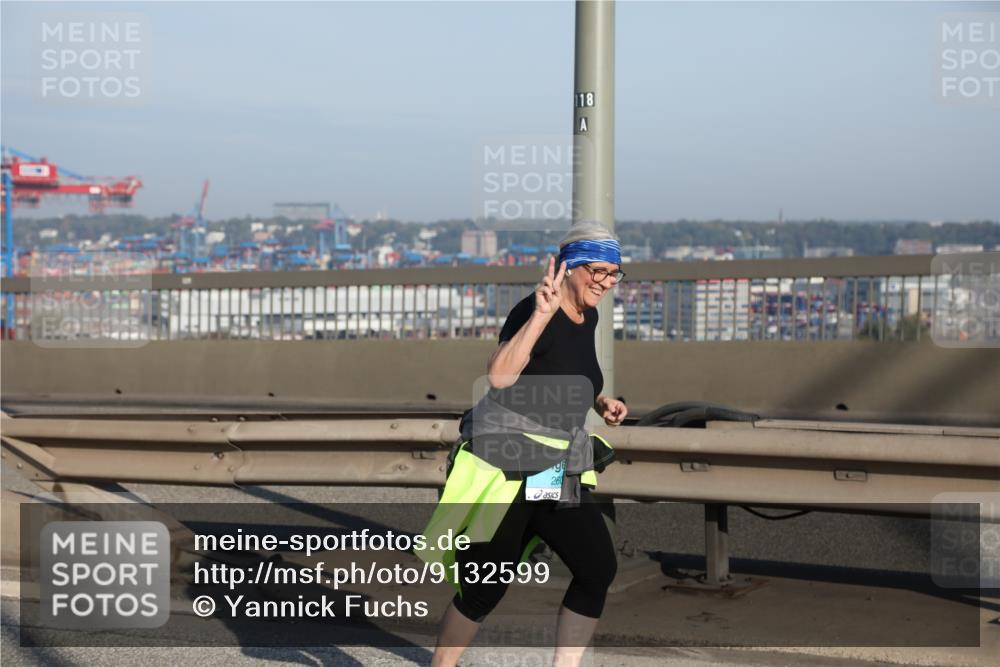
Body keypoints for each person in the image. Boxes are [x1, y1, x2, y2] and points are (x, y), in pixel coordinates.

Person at [417, 220, 628, 667]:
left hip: (552, 467)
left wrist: (601, 400)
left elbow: (561, 374)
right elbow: (500, 376)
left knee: (596, 569)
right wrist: (540, 314)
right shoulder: (534, 311)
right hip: (507, 465)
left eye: (614, 273)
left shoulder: (586, 316)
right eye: (598, 271)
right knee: (484, 586)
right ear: (569, 267)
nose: (606, 283)